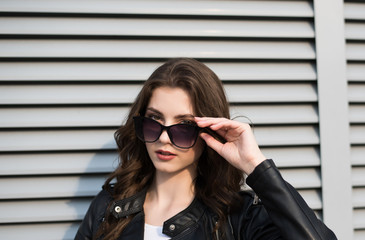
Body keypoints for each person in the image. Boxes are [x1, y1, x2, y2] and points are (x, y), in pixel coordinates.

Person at [75, 58, 337, 240]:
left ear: (209, 130)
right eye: (154, 120)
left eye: (184, 125)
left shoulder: (237, 218)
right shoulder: (108, 209)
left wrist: (256, 165)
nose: (164, 138)